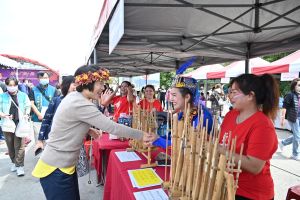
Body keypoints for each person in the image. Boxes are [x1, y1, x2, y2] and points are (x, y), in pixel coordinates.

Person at [32, 66, 153, 200]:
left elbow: (67, 121)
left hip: (62, 166)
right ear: (88, 82)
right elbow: (113, 127)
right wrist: (142, 135)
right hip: (56, 169)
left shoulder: (74, 97)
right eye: (100, 83)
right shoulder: (81, 103)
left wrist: (88, 129)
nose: (103, 88)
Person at [219, 74, 279, 200]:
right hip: (226, 185)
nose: (229, 96)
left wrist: (222, 151)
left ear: (250, 95)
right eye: (229, 92)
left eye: (234, 92)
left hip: (251, 194)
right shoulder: (231, 115)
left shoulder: (263, 125)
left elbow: (254, 166)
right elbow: (221, 141)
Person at [152, 76, 213, 149]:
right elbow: (174, 136)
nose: (170, 99)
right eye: (170, 95)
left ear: (187, 97)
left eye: (174, 95)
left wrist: (158, 140)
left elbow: (187, 144)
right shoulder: (181, 114)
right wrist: (156, 137)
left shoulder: (202, 116)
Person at [0, 76, 31, 176]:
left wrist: (26, 114)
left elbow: (27, 106)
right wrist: (3, 114)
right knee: (10, 146)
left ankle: (20, 166)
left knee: (20, 146)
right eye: (10, 85)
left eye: (14, 85)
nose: (12, 87)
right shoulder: (2, 96)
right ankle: (14, 162)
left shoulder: (23, 95)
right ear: (7, 85)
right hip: (7, 123)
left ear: (17, 85)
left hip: (19, 123)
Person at [29, 71, 59, 143]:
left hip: (50, 120)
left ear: (48, 78)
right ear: (38, 79)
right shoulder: (33, 90)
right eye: (41, 78)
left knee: (49, 142)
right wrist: (39, 115)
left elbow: (56, 104)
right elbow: (31, 103)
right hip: (37, 119)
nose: (44, 79)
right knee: (39, 141)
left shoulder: (54, 89)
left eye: (46, 77)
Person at [279, 78, 300, 161]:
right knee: (297, 136)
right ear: (294, 86)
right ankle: (295, 154)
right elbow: (284, 108)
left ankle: (283, 143)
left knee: (297, 135)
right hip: (293, 118)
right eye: (299, 85)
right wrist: (282, 119)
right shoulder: (290, 95)